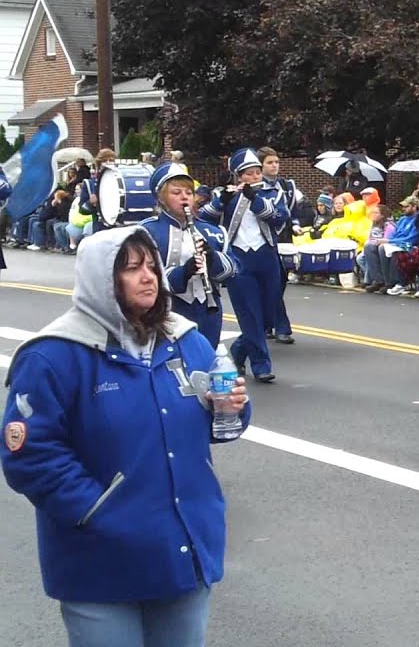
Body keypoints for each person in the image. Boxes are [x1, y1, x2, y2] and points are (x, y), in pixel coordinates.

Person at [1, 227, 251, 647]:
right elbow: (30, 456)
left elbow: (223, 422)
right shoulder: (54, 354)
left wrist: (232, 409)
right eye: (131, 269)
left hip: (183, 548)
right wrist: (98, 512)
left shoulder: (185, 340)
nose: (149, 277)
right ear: (102, 278)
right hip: (100, 562)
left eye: (151, 266)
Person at [199, 148, 289, 383]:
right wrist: (222, 201)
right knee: (249, 314)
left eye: (257, 172)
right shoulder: (225, 195)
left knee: (269, 314)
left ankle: (240, 349)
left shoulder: (273, 193)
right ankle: (261, 365)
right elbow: (203, 218)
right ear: (239, 176)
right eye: (249, 174)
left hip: (267, 257)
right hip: (239, 260)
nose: (255, 177)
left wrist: (254, 197)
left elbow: (279, 217)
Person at [140, 163, 239, 348]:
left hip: (208, 310)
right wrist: (185, 271)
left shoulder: (213, 232)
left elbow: (233, 270)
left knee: (206, 360)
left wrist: (212, 258)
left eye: (188, 192)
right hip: (169, 310)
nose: (184, 197)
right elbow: (143, 277)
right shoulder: (146, 232)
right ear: (161, 199)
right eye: (176, 193)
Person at [258, 147, 299, 344]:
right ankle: (277, 326)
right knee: (271, 284)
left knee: (278, 283)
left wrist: (297, 224)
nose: (274, 166)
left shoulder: (287, 185)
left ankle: (271, 323)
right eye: (269, 162)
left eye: (276, 162)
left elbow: (293, 211)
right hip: (264, 239)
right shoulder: (256, 187)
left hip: (284, 239)